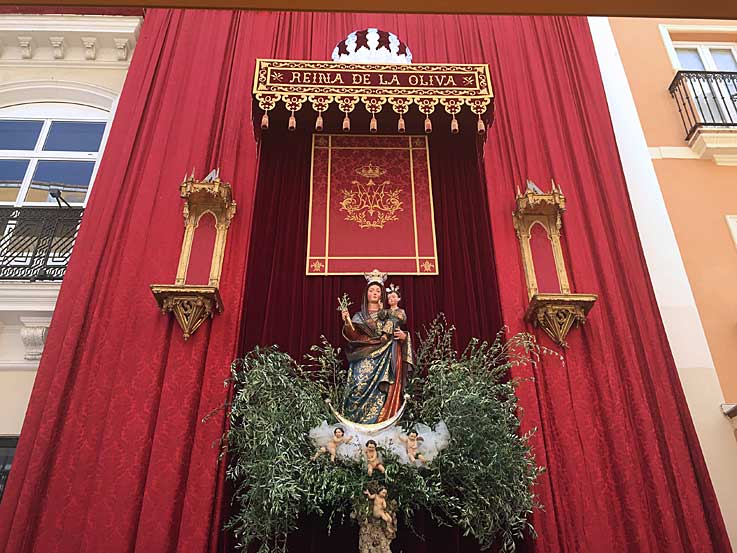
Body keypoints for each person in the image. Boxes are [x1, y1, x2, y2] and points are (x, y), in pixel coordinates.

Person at [340, 270, 414, 424]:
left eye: (378, 291)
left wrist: (404, 337)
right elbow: (353, 337)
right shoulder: (359, 316)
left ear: (382, 295)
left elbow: (396, 330)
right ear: (366, 294)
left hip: (386, 357)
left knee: (384, 389)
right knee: (357, 386)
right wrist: (347, 321)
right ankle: (356, 423)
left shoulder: (388, 314)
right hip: (363, 355)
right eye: (371, 290)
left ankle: (381, 421)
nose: (374, 293)